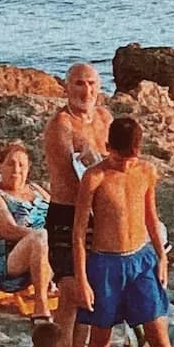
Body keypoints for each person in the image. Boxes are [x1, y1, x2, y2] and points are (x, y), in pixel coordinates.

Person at [72, 113, 174, 347]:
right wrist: (82, 279)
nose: (124, 164)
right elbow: (79, 233)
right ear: (107, 147)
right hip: (105, 264)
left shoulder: (147, 172)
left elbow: (151, 217)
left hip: (141, 261)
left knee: (158, 336)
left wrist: (161, 258)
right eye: (118, 156)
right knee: (100, 340)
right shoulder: (94, 178)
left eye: (130, 157)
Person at [41, 63, 113, 325]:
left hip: (99, 213)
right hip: (67, 214)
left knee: (89, 299)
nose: (87, 90)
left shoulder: (104, 118)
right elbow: (71, 178)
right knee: (71, 294)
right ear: (67, 87)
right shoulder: (62, 124)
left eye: (92, 84)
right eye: (80, 83)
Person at [0, 145, 56, 311]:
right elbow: (8, 230)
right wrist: (52, 238)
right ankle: (41, 306)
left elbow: (59, 215)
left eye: (22, 165)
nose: (16, 170)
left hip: (49, 248)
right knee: (40, 237)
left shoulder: (37, 190)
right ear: (0, 166)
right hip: (11, 260)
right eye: (10, 164)